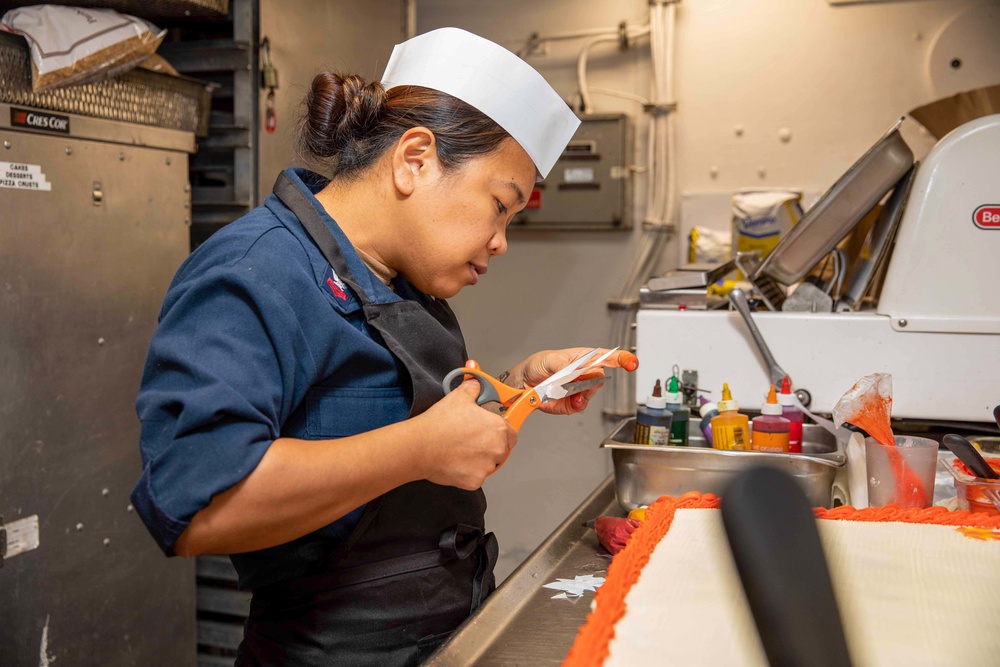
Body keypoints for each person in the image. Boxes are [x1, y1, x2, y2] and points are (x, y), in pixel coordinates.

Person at [130, 27, 637, 666]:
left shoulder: (405, 285)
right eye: (499, 206)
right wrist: (419, 448)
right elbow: (197, 507)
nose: (501, 240)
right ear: (415, 159)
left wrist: (518, 385)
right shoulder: (254, 273)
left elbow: (397, 428)